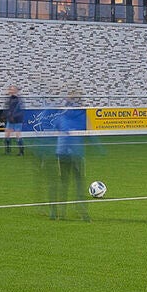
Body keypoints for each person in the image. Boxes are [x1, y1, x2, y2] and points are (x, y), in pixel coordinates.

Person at [48, 90, 91, 221]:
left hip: (63, 152)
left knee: (64, 182)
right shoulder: (82, 114)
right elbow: (86, 132)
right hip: (75, 152)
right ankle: (83, 213)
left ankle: (60, 213)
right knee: (79, 183)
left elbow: (55, 129)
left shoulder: (62, 113)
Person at [3, 86, 26, 155]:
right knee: (7, 134)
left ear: (16, 90)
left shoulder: (19, 99)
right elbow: (7, 108)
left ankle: (21, 151)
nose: (11, 91)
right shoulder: (9, 99)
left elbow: (21, 110)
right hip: (10, 119)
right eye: (10, 89)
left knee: (18, 134)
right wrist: (7, 115)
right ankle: (8, 150)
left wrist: (14, 116)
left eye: (12, 89)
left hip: (17, 119)